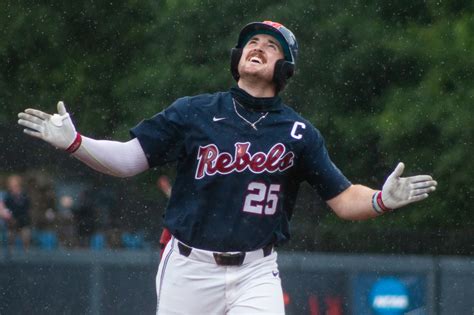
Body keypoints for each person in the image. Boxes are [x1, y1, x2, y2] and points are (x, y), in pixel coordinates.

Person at [17, 21, 437, 314]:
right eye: (252, 41)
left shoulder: (298, 132)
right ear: (238, 56)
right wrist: (76, 143)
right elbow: (130, 160)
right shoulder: (194, 112)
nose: (258, 47)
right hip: (188, 265)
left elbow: (345, 200)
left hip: (256, 269)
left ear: (285, 69)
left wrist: (381, 200)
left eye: (271, 47)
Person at [4, 174, 32, 250]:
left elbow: (28, 207)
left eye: (15, 185)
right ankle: (10, 254)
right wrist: (9, 217)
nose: (14, 187)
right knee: (10, 237)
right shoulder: (8, 196)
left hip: (23, 220)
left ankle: (27, 255)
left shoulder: (24, 195)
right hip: (12, 220)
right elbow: (5, 208)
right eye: (12, 185)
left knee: (26, 236)